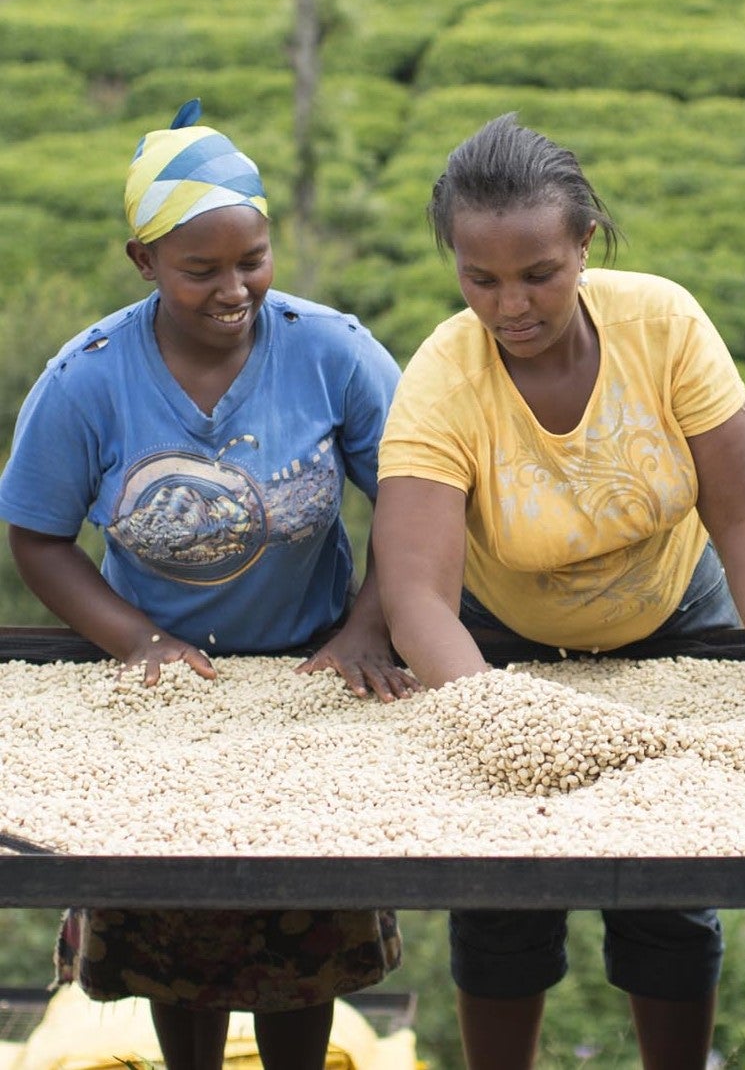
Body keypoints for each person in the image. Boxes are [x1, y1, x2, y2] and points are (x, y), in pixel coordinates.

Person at [370, 112, 745, 1070]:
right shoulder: (443, 375)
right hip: (503, 641)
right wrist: (499, 716)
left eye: (539, 273)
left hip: (675, 615)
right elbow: (418, 595)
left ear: (583, 242)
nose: (511, 304)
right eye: (482, 279)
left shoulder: (662, 325)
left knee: (670, 875)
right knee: (503, 882)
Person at [0, 100, 410, 1070]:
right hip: (164, 701)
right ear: (142, 261)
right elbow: (40, 538)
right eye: (202, 270)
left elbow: (417, 503)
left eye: (253, 260)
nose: (236, 289)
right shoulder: (87, 382)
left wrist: (364, 632)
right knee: (171, 942)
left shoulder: (332, 353)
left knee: (303, 939)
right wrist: (139, 643)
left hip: (311, 688)